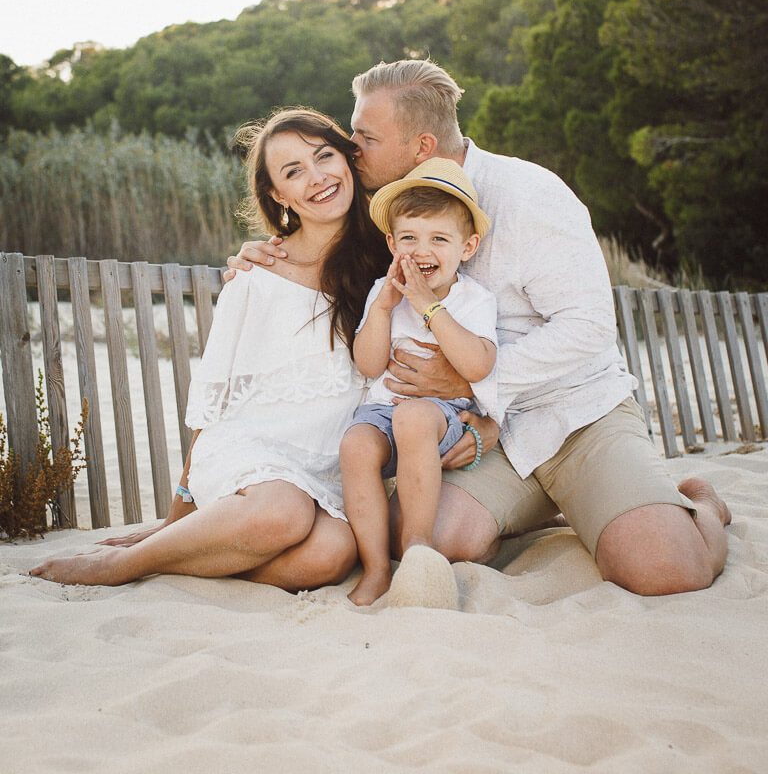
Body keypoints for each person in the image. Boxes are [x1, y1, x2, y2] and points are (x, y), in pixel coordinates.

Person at [231, 59, 731, 597]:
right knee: (428, 537)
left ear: (421, 147)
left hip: (575, 415)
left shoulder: (529, 195)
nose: (352, 148)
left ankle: (700, 504)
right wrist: (264, 256)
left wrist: (470, 381)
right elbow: (318, 247)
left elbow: (587, 328)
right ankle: (545, 509)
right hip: (475, 432)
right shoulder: (387, 208)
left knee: (664, 570)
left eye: (365, 136)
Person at [31, 107, 390, 589]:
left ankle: (195, 551)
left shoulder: (385, 265)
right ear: (277, 196)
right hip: (251, 453)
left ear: (348, 159)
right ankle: (124, 566)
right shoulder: (257, 275)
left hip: (326, 466)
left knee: (331, 555)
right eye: (293, 172)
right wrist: (175, 514)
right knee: (282, 514)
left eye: (324, 156)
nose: (317, 177)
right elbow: (214, 400)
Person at [340, 159, 498, 607]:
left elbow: (478, 364)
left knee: (412, 417)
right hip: (382, 410)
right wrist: (385, 309)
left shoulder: (472, 299)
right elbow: (369, 365)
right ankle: (374, 568)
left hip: (439, 417)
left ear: (467, 247)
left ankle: (417, 549)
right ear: (392, 243)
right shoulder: (382, 292)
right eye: (409, 238)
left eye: (439, 239)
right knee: (355, 445)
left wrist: (430, 307)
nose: (422, 250)